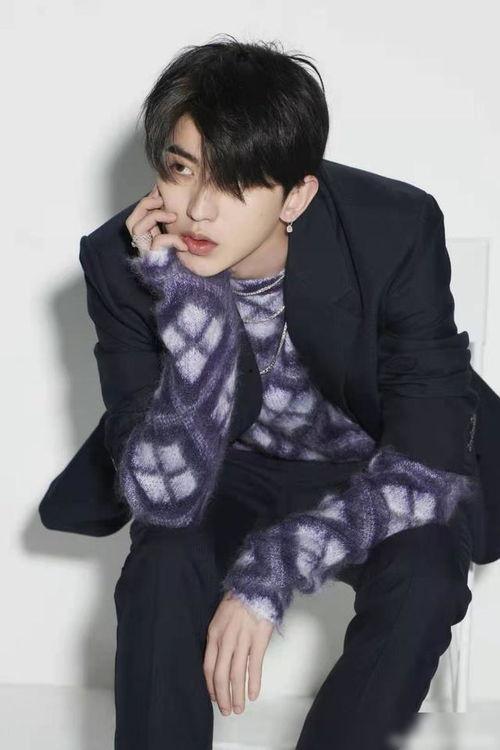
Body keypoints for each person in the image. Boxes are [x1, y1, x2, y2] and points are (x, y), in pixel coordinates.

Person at [80, 35, 480, 750]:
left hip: (377, 462)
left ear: (297, 194)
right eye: (182, 170)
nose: (198, 210)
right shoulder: (122, 261)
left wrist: (274, 570)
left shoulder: (395, 230)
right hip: (229, 467)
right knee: (164, 559)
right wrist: (185, 305)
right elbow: (162, 491)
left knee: (425, 574)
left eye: (236, 183)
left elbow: (429, 457)